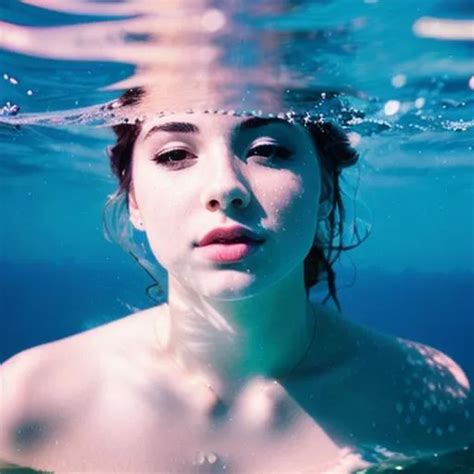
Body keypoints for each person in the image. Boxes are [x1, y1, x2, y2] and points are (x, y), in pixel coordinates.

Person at [0, 87, 472, 473]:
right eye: (175, 154)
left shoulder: (428, 398)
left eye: (267, 150)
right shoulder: (25, 404)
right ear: (133, 199)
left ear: (325, 189)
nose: (224, 187)